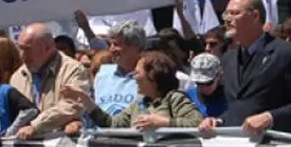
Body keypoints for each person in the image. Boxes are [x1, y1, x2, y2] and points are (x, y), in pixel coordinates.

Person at [199, 0, 291, 136]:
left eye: (235, 13)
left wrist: (269, 117)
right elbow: (238, 108)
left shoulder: (286, 53)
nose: (228, 19)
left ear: (255, 16)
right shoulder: (227, 59)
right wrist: (218, 121)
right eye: (226, 14)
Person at [63, 51, 203, 130]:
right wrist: (86, 101)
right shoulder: (138, 103)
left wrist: (163, 122)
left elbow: (197, 122)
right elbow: (112, 124)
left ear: (153, 75)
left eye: (137, 73)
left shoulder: (175, 98)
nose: (133, 78)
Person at [11, 23, 91, 139]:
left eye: (27, 49)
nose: (22, 55)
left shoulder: (73, 70)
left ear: (47, 48)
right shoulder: (18, 76)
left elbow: (72, 105)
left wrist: (36, 126)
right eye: (20, 49)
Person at [185, 53, 227, 118]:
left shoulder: (230, 98)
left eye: (208, 83)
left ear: (219, 76)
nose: (204, 87)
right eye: (199, 83)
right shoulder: (187, 98)